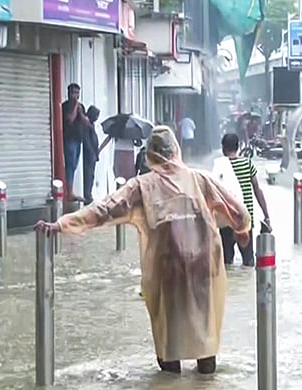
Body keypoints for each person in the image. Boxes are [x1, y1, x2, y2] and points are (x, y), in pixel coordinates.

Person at [34, 126, 251, 375]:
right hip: (203, 267)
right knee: (205, 337)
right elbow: (238, 210)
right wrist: (242, 231)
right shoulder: (199, 180)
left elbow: (103, 210)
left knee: (168, 341)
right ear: (176, 150)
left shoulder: (142, 187)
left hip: (167, 269)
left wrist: (62, 224)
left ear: (150, 155)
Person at [215, 133, 272, 267]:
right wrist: (266, 215)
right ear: (238, 147)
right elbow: (257, 190)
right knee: (248, 262)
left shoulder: (219, 166)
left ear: (223, 148)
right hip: (245, 219)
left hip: (227, 219)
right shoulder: (247, 164)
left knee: (226, 263)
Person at [62, 83, 89, 199]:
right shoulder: (65, 106)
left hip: (78, 139)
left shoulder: (81, 106)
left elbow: (86, 122)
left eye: (77, 93)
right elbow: (70, 120)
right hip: (69, 139)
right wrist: (74, 109)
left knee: (74, 165)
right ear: (68, 94)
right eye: (73, 93)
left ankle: (70, 189)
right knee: (70, 164)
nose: (75, 96)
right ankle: (69, 192)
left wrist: (80, 113)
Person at [81, 105, 101, 205]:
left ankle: (89, 194)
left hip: (92, 154)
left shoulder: (91, 125)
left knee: (91, 175)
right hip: (89, 155)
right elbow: (87, 141)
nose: (97, 118)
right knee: (88, 175)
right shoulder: (86, 125)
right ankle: (87, 195)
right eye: (96, 115)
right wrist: (91, 153)